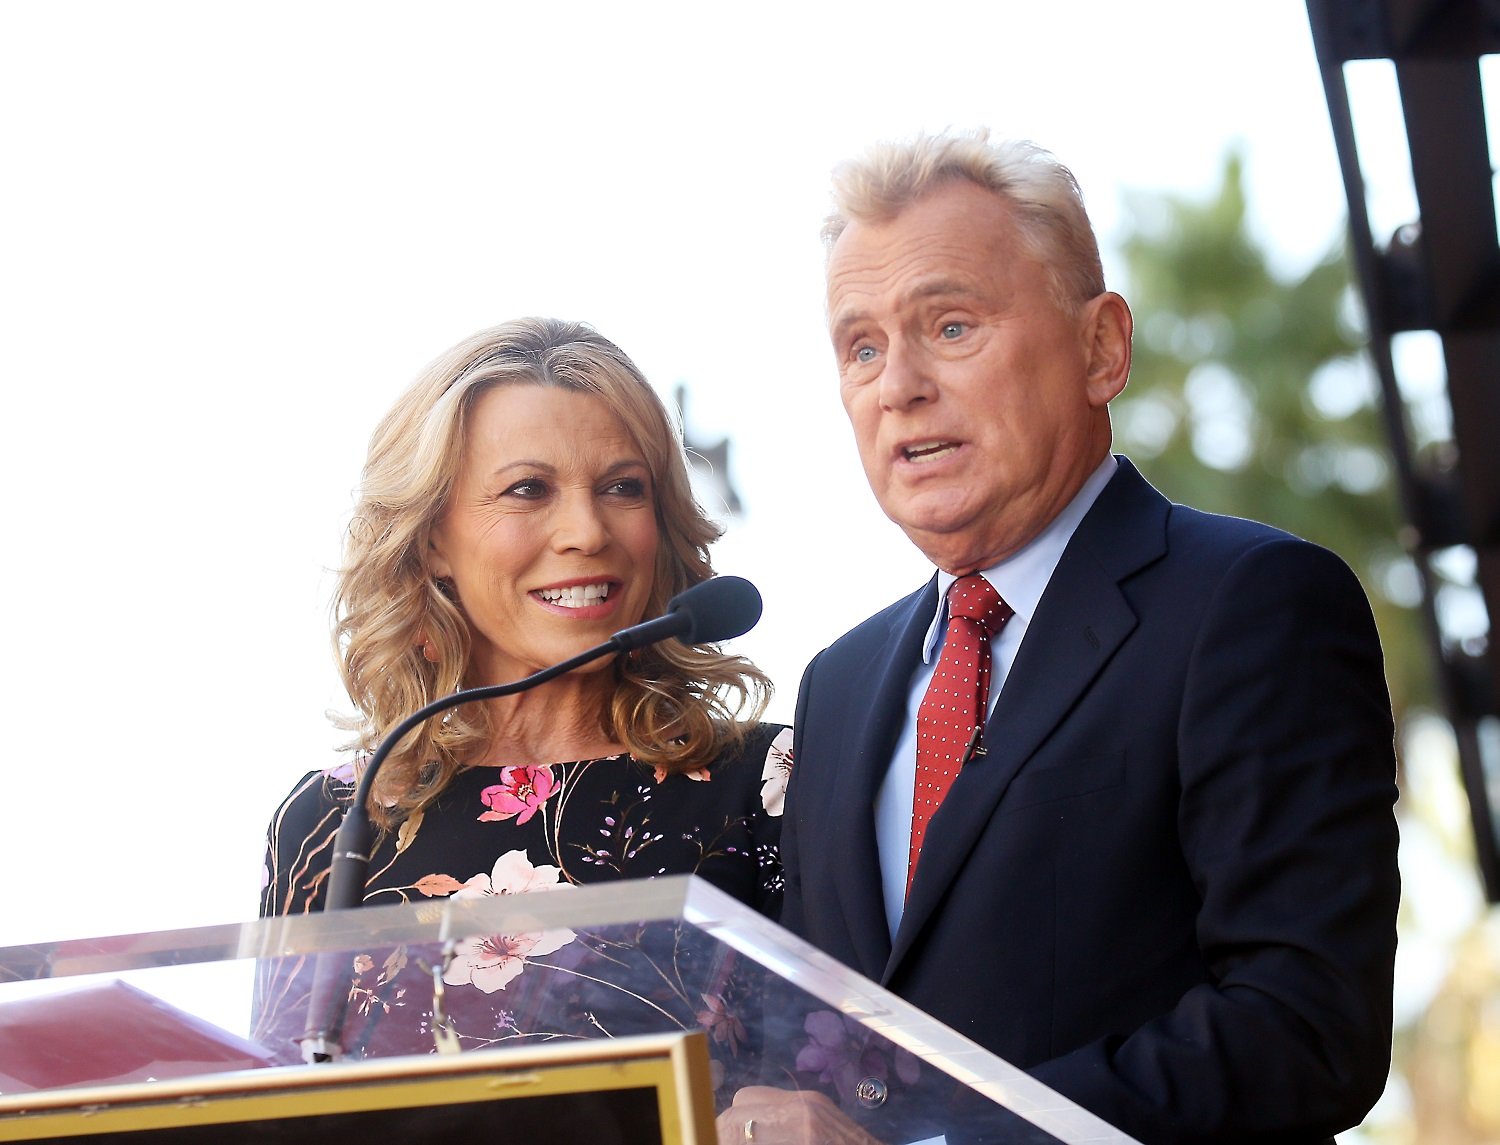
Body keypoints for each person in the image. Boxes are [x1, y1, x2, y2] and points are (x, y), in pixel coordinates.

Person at [726, 133, 1400, 1144]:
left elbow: (1304, 1024)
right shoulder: (840, 682)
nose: (896, 382)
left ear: (1102, 348)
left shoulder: (1250, 604)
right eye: (860, 345)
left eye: (949, 324)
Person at [257, 317, 792, 1066]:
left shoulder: (765, 781)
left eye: (622, 487)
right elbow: (282, 1108)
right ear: (433, 539)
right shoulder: (328, 821)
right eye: (529, 489)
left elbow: (836, 1083)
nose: (585, 530)